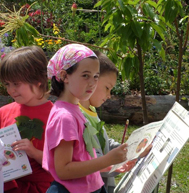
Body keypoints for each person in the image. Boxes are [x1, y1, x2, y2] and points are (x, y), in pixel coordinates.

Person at [42, 44, 128, 193]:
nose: (92, 82)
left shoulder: (75, 110)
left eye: (96, 77)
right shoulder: (65, 117)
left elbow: (81, 157)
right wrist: (107, 159)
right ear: (64, 76)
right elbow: (63, 170)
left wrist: (108, 166)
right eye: (85, 75)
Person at [79, 51, 152, 193]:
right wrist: (120, 159)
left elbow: (104, 144)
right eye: (107, 88)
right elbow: (93, 162)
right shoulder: (78, 117)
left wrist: (134, 149)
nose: (108, 95)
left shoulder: (91, 110)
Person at [0, 46, 54, 192]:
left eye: (16, 84)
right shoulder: (4, 112)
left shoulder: (57, 117)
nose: (10, 90)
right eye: (7, 84)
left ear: (38, 81)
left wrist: (34, 153)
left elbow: (65, 165)